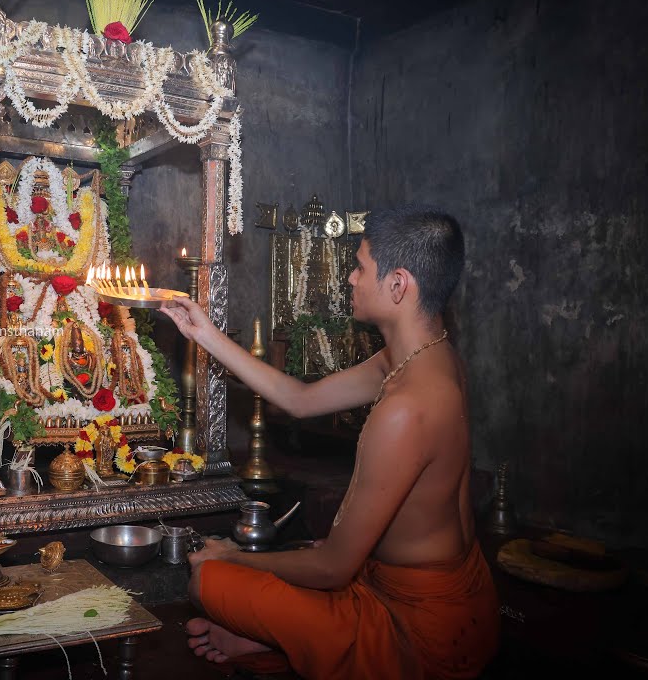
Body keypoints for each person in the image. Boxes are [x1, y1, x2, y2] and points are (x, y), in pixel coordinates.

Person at [159, 206, 498, 680]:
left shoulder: (407, 407)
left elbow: (335, 569)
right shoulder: (427, 357)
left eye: (360, 267)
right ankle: (276, 640)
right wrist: (205, 333)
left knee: (208, 580)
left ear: (398, 285)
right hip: (456, 598)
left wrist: (233, 557)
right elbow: (299, 399)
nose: (350, 279)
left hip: (418, 635)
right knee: (300, 558)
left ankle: (284, 642)